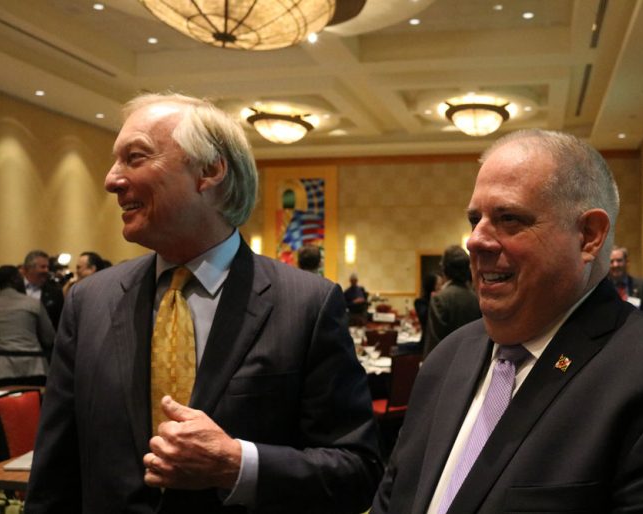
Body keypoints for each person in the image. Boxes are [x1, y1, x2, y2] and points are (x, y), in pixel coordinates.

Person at [26, 93, 382, 513]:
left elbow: (357, 472)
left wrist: (237, 465)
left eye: (134, 157)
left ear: (209, 171)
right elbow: (56, 474)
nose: (111, 180)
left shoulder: (307, 304)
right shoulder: (89, 302)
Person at [372, 129, 643, 513]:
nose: (476, 240)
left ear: (589, 236)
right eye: (476, 219)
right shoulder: (446, 358)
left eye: (509, 219)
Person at [0, 265, 55, 386]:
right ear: (15, 280)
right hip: (34, 367)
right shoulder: (33, 304)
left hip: (1, 369)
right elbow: (49, 338)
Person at [422, 246, 481, 358]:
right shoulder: (477, 298)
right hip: (472, 361)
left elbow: (434, 345)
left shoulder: (440, 299)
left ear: (444, 269)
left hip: (446, 364)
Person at [608, 246, 643, 316]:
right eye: (611, 261)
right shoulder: (601, 289)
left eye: (619, 260)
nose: (615, 265)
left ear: (627, 262)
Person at [20, 250, 63, 329]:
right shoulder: (15, 289)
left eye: (47, 267)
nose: (46, 270)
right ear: (29, 268)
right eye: (43, 267)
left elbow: (60, 322)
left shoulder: (55, 291)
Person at [414, 273, 440, 345]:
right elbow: (425, 317)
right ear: (432, 286)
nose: (442, 287)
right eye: (439, 284)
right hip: (427, 342)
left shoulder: (443, 300)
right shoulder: (420, 302)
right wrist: (434, 299)